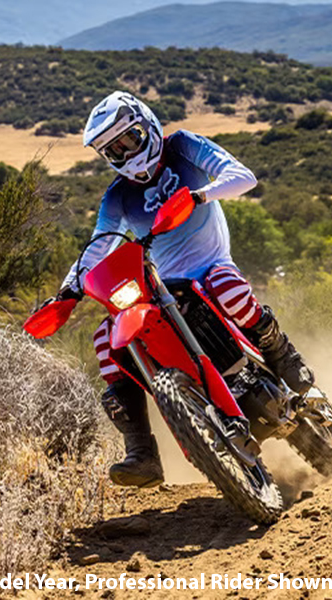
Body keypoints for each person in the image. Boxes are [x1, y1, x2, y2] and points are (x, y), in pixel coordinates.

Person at [58, 91, 314, 488]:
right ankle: (141, 451)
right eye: (113, 150)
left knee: (227, 288)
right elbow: (97, 246)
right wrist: (66, 292)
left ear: (147, 125)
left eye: (129, 140)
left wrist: (199, 195)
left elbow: (243, 177)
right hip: (163, 284)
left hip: (211, 263)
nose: (125, 153)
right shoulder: (117, 195)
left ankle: (282, 354)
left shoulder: (183, 146)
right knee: (105, 339)